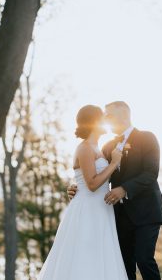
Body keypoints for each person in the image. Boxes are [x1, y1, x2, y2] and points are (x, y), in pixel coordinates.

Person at [68, 101, 162, 280]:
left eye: (109, 115)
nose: (105, 119)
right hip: (118, 215)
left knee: (144, 259)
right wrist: (76, 185)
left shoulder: (147, 138)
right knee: (123, 264)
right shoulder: (106, 147)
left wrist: (124, 189)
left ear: (123, 115)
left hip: (146, 211)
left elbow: (151, 173)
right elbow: (94, 173)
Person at [38, 104, 128, 280]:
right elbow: (92, 184)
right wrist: (113, 164)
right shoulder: (85, 147)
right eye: (103, 117)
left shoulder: (98, 149)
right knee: (85, 256)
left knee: (100, 256)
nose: (106, 121)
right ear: (95, 122)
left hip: (101, 209)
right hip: (88, 209)